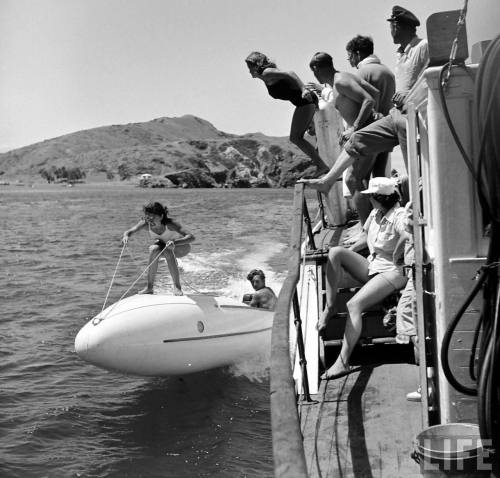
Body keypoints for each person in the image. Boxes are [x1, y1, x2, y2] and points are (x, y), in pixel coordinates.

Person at [300, 5, 429, 194]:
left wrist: (357, 124)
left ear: (398, 26)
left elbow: (434, 76)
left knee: (407, 169)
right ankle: (327, 181)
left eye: (392, 26)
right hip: (394, 114)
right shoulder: (397, 57)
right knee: (357, 142)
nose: (390, 31)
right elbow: (374, 95)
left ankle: (415, 205)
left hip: (409, 113)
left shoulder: (422, 47)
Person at [318, 177, 408, 379]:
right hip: (374, 266)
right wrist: (347, 253)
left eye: (370, 196)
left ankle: (342, 362)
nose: (367, 200)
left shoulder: (398, 215)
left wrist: (397, 256)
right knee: (335, 253)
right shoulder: (376, 213)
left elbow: (407, 235)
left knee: (353, 305)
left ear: (378, 198)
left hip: (393, 271)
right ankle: (330, 307)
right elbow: (364, 237)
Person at [306, 51, 381, 226]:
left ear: (316, 68)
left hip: (367, 134)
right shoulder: (344, 77)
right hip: (367, 132)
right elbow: (375, 93)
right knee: (359, 179)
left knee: (352, 179)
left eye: (313, 71)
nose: (314, 75)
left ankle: (365, 229)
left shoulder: (340, 82)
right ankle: (367, 225)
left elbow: (369, 100)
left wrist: (355, 127)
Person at [245, 51, 328, 175]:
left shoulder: (267, 73)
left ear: (256, 66)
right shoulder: (266, 76)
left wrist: (303, 89)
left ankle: (322, 166)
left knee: (295, 137)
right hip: (304, 103)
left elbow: (290, 73)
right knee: (309, 135)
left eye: (250, 67)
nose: (249, 71)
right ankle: (322, 164)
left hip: (305, 101)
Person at [122, 201, 195, 295]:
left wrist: (174, 242)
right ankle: (149, 288)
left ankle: (177, 287)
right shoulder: (145, 223)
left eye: (153, 218)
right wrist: (126, 236)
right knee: (153, 249)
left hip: (181, 248)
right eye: (148, 217)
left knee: (168, 250)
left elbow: (191, 237)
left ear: (161, 216)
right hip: (165, 245)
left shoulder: (171, 224)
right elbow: (129, 231)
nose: (150, 221)